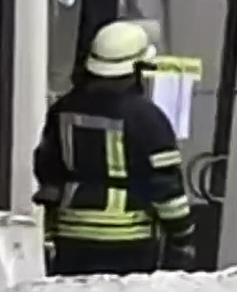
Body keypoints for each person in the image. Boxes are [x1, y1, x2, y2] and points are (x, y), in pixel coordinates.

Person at [34, 18, 196, 276]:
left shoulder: (63, 109)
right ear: (138, 67)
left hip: (70, 236)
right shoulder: (146, 117)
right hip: (128, 241)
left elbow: (46, 168)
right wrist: (182, 236)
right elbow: (165, 187)